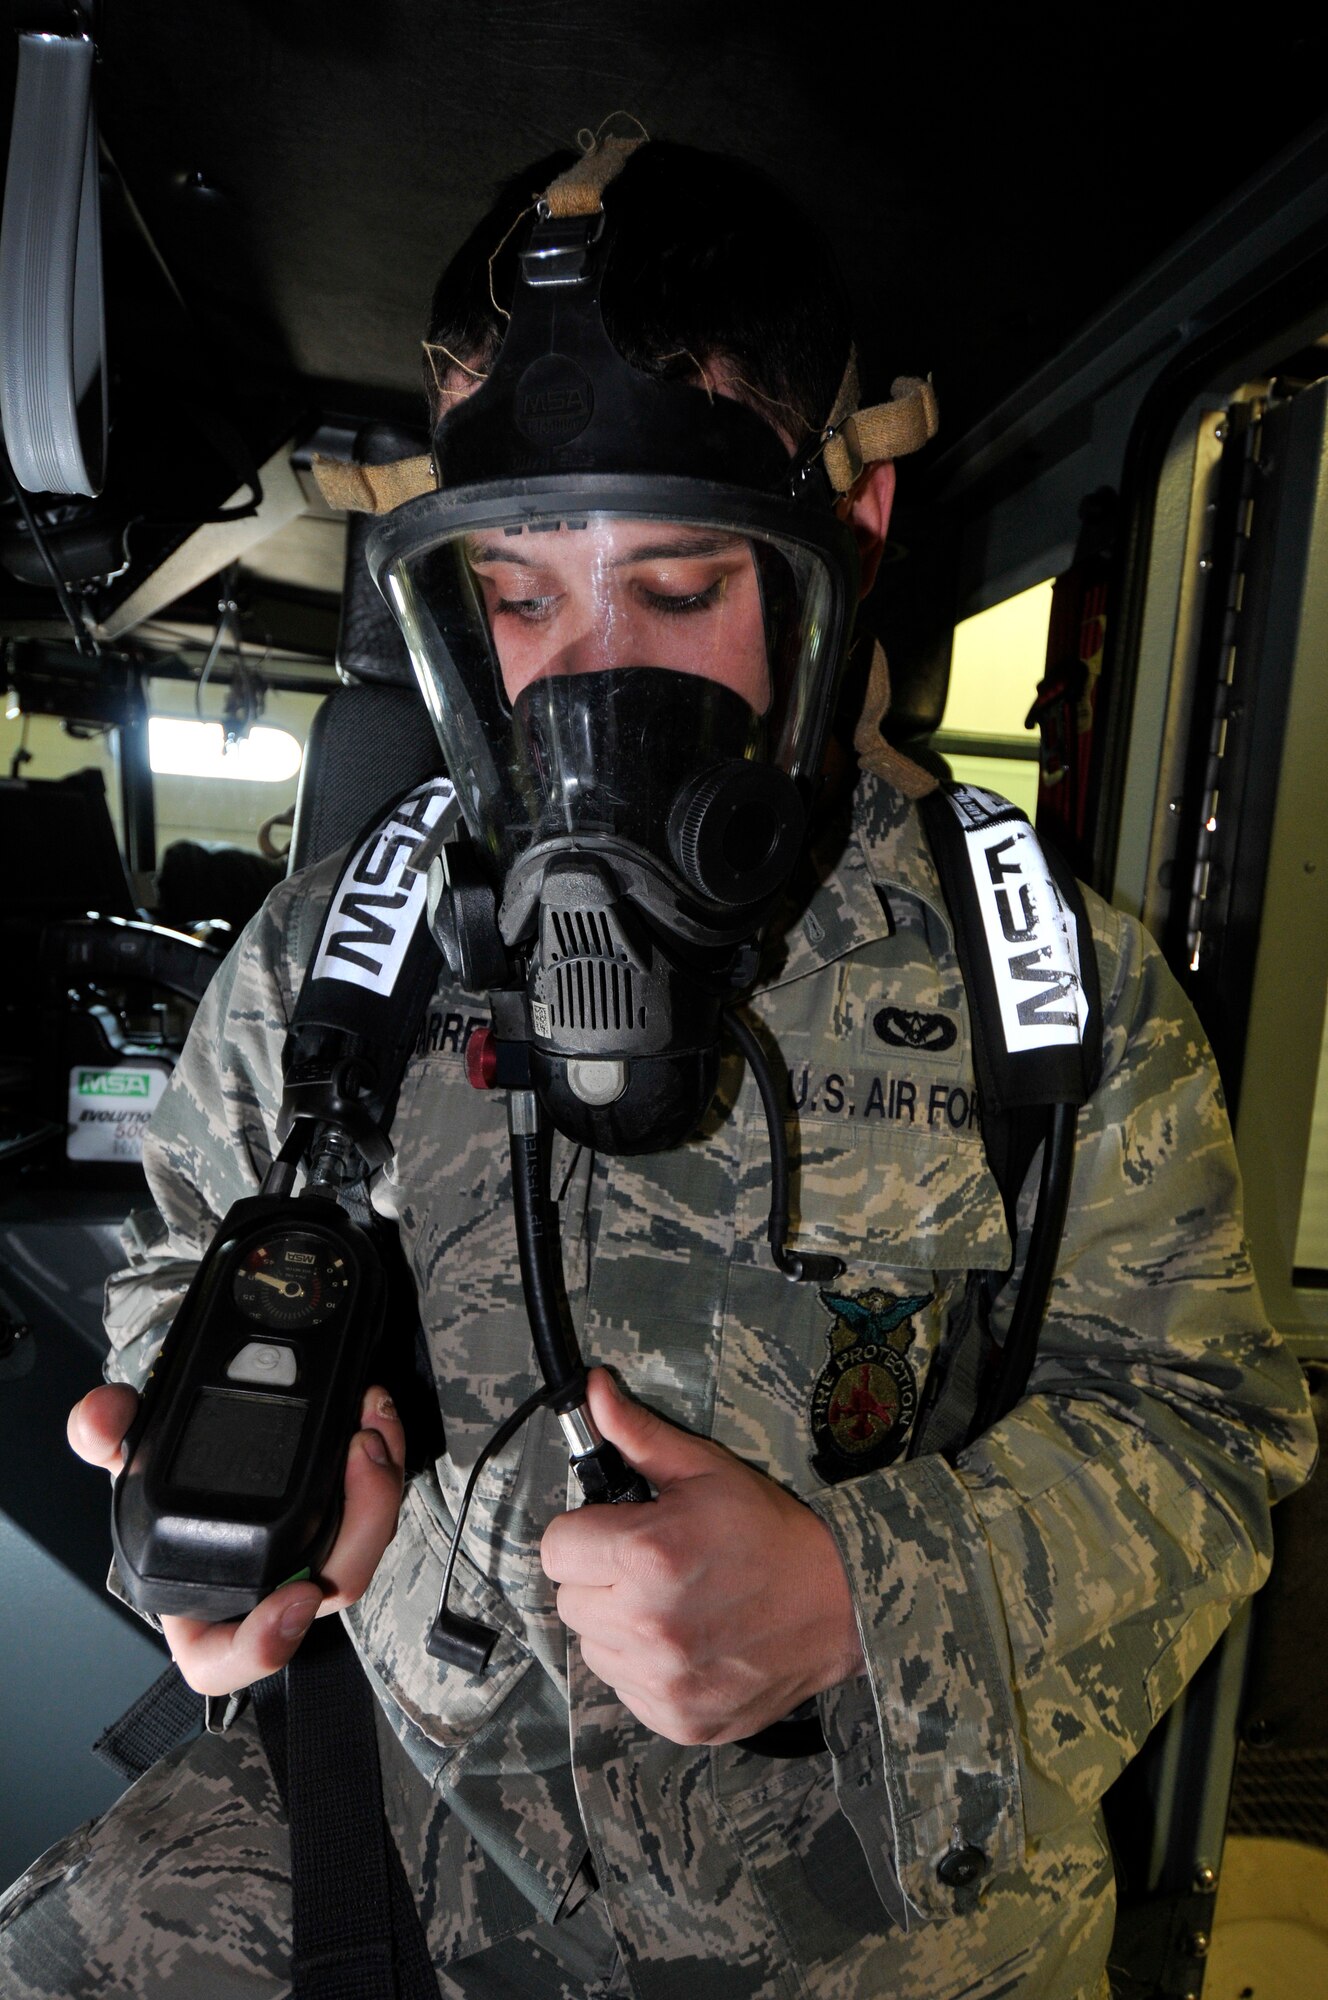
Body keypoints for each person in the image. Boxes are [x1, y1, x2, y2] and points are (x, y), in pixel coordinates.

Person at [0, 132, 1316, 2000]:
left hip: (886, 1901)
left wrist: (874, 1594)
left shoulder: (1048, 979)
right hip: (406, 1842)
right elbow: (188, 1270)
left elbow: (1210, 1430)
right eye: (523, 601)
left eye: (683, 589)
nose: (588, 683)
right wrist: (243, 1499)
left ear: (846, 540)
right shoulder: (335, 953)